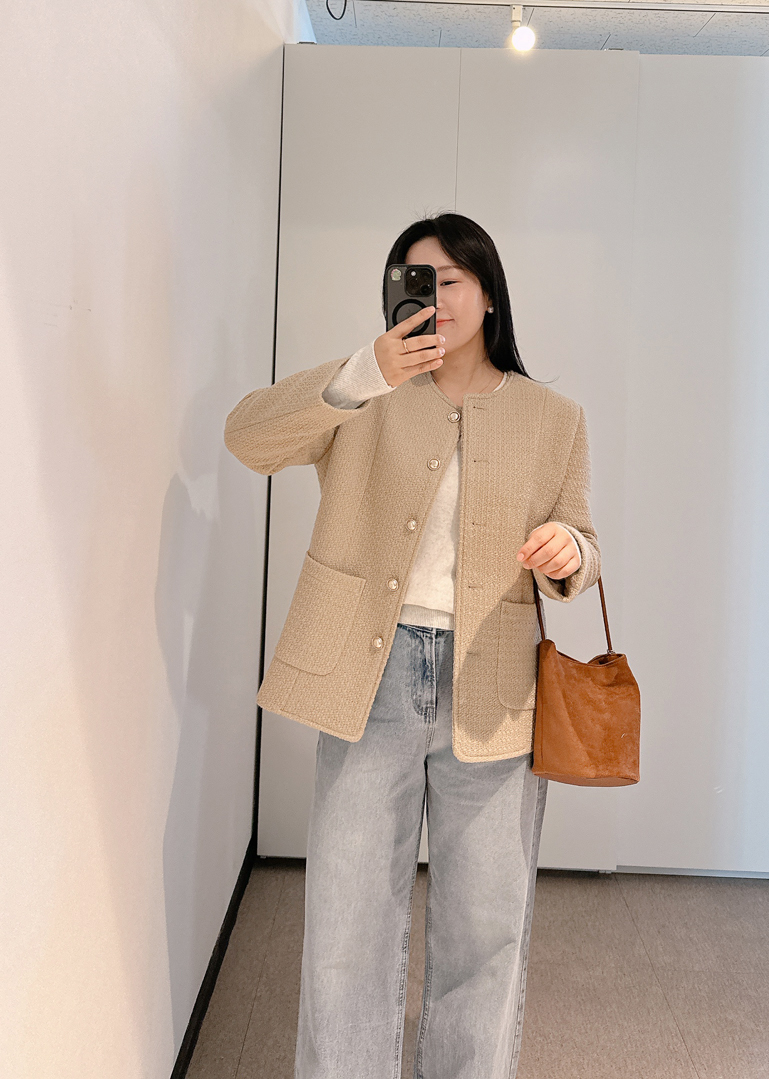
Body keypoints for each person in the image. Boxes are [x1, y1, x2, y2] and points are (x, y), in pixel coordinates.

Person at [223, 212, 601, 1079]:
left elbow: (584, 541)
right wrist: (365, 371)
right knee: (346, 930)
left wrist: (569, 552)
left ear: (490, 294)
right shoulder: (366, 392)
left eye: (452, 280)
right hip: (372, 676)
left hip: (493, 688)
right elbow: (248, 438)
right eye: (416, 280)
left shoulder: (554, 417)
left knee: (484, 932)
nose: (436, 297)